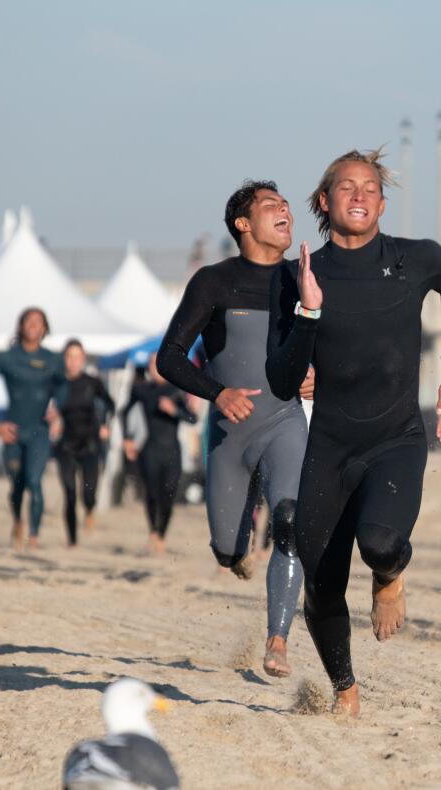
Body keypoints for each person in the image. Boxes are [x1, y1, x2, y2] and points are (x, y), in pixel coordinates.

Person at [266, 149, 441, 716]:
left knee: (379, 542)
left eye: (369, 188)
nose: (359, 196)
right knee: (322, 582)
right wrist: (307, 317)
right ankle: (345, 689)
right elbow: (282, 380)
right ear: (323, 202)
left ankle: (390, 574)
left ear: (382, 203)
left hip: (395, 439)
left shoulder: (417, 259)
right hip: (329, 448)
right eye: (346, 188)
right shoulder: (296, 276)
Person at [156, 180, 314, 678]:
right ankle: (236, 545)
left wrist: (316, 371)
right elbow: (169, 357)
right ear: (243, 224)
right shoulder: (213, 281)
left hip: (286, 421)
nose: (284, 209)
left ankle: (277, 641)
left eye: (285, 204)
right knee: (227, 550)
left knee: (290, 521)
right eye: (271, 205)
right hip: (229, 431)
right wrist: (216, 392)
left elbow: (326, 338)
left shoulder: (300, 278)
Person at [0, 307, 67, 551]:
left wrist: (57, 409)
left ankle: (34, 537)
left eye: (39, 322)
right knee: (17, 485)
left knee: (34, 481)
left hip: (39, 431)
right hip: (13, 431)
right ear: (21, 326)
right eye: (29, 321)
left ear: (45, 329)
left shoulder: (53, 360)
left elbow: (63, 387)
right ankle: (18, 520)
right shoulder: (6, 357)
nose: (33, 326)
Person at [121, 353, 197, 554]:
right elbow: (124, 411)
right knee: (152, 494)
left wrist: (174, 411)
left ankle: (161, 534)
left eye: (158, 363)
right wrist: (127, 438)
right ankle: (153, 532)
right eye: (151, 364)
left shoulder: (176, 390)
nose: (154, 367)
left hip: (172, 451)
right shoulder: (141, 389)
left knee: (168, 494)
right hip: (150, 449)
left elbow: (193, 418)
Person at [55, 339, 115, 547]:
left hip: (89, 442)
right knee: (69, 493)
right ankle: (72, 540)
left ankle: (89, 509)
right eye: (69, 357)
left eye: (77, 357)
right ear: (64, 359)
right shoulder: (57, 383)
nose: (73, 361)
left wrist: (105, 424)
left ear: (83, 359)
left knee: (89, 493)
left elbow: (110, 404)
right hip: (65, 444)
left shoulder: (92, 382)